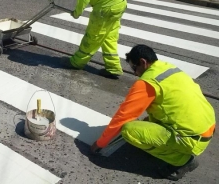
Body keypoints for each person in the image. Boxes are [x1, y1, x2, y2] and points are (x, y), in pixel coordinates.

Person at [91, 45, 215, 181]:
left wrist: (100, 143)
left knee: (129, 131)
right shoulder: (168, 68)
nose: (135, 73)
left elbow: (123, 116)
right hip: (207, 125)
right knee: (147, 122)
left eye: (134, 68)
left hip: (191, 137)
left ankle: (183, 160)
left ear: (143, 62)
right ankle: (170, 145)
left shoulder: (147, 82)